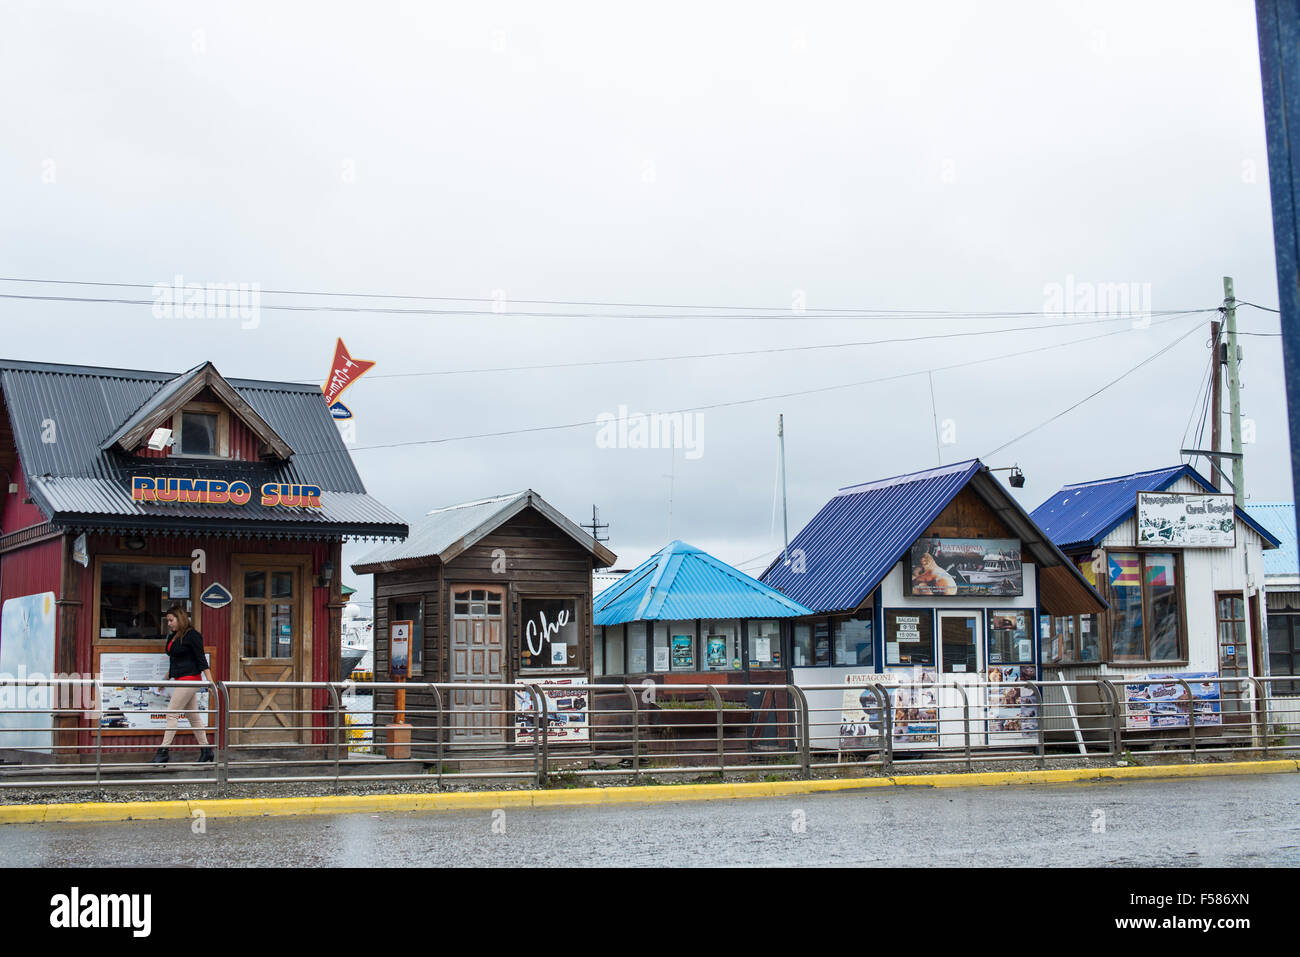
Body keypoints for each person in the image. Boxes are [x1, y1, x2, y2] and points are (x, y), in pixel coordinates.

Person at [151, 604, 214, 764]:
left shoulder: (192, 635)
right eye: (168, 621)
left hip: (191, 679)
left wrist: (210, 681)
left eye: (171, 620)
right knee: (193, 716)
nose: (169, 624)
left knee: (171, 713)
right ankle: (206, 751)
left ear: (180, 618)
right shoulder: (174, 636)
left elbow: (201, 659)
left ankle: (163, 751)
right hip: (180, 679)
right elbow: (175, 660)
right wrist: (165, 680)